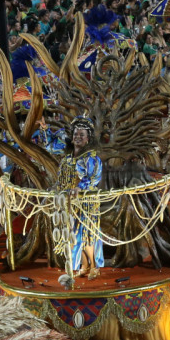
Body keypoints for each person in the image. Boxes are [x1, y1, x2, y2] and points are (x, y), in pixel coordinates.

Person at [54, 115, 104, 281]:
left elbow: (92, 178)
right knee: (75, 237)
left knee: (88, 236)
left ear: (88, 138)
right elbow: (61, 180)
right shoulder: (67, 160)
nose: (77, 137)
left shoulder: (91, 158)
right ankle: (84, 266)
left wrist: (79, 188)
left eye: (81, 135)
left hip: (86, 203)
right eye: (76, 134)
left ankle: (94, 267)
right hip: (69, 203)